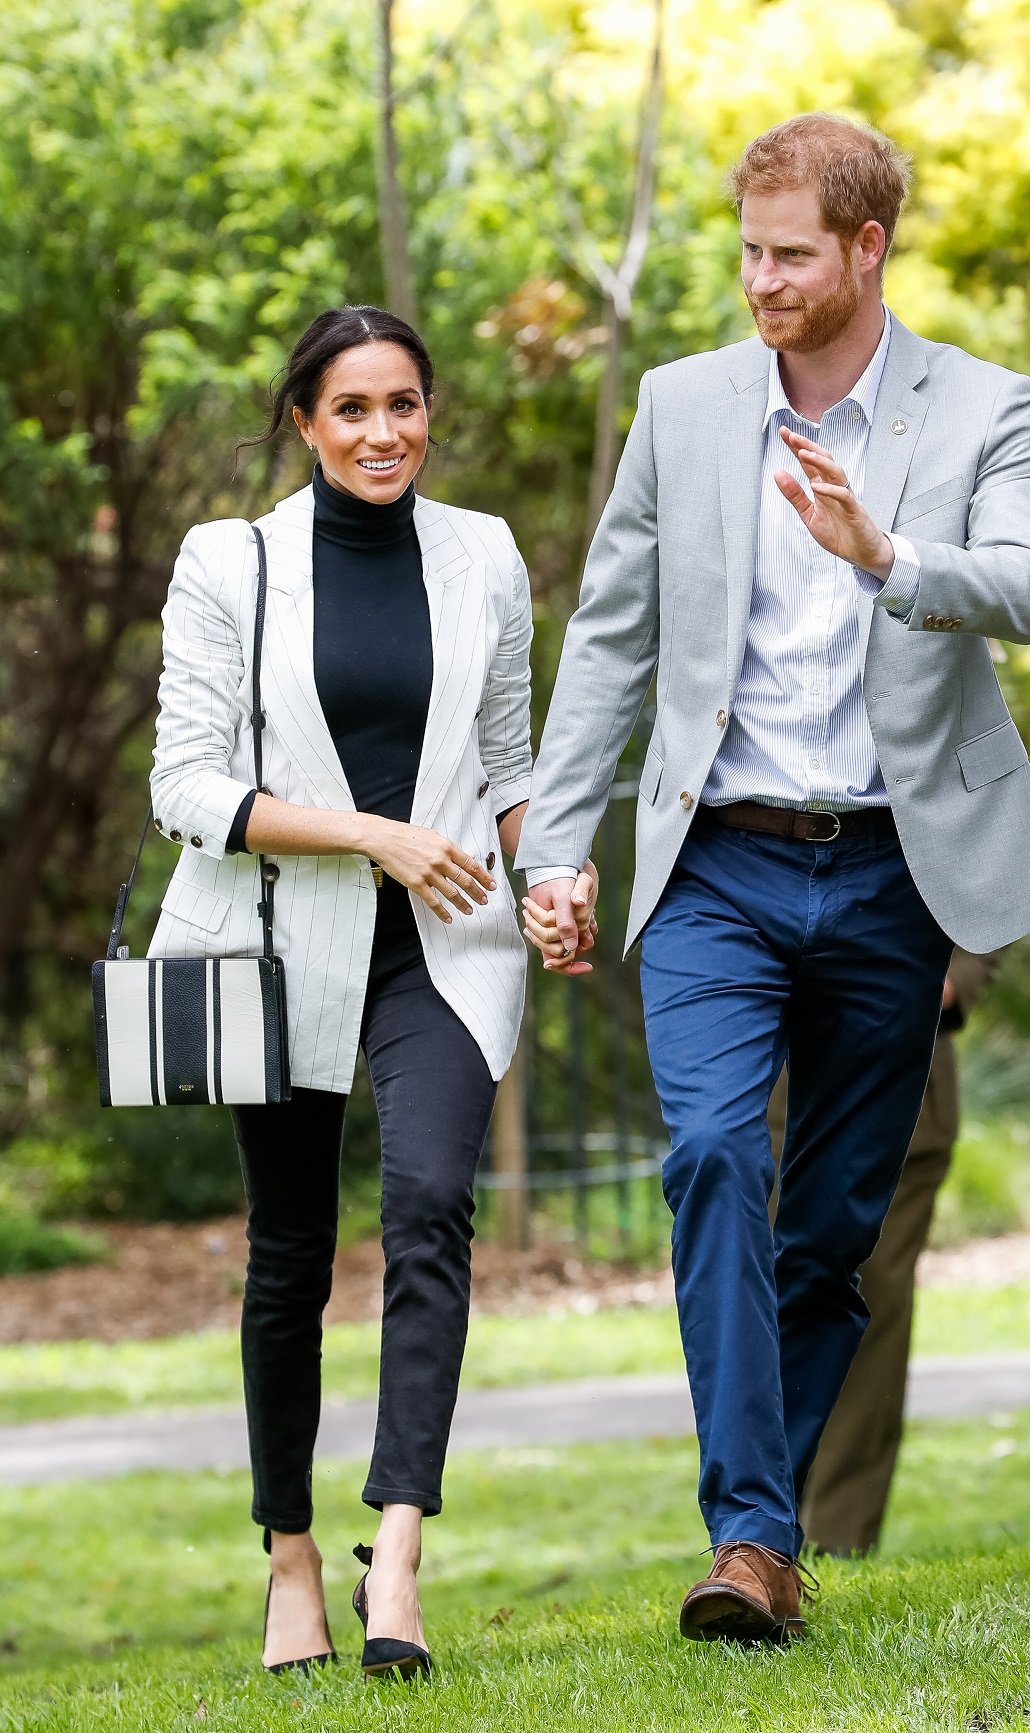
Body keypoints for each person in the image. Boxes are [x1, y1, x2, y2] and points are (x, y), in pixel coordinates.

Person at [519, 113, 1030, 1644]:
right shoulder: (684, 406)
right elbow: (616, 639)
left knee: (832, 1228)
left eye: (788, 253)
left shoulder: (982, 407)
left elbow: (1027, 588)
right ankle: (752, 1538)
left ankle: (759, 1540)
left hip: (897, 871)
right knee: (711, 1156)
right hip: (717, 866)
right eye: (746, 250)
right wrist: (556, 843)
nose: (759, 279)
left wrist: (887, 551)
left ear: (866, 248)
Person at [148, 305, 595, 1680]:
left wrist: (551, 873)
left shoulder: (484, 555)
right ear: (304, 423)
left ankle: (395, 1548)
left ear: (428, 411)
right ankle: (290, 1555)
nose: (383, 432)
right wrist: (372, 833)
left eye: (403, 404)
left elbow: (513, 763)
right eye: (352, 409)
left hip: (443, 948)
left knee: (428, 1210)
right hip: (278, 944)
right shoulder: (235, 561)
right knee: (287, 1258)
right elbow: (186, 786)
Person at [785, 948, 1000, 1555]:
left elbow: (1001, 863)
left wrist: (952, 979)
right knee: (767, 1299)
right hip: (774, 1084)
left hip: (905, 1080)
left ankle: (838, 1541)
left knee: (869, 1311)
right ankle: (756, 1536)